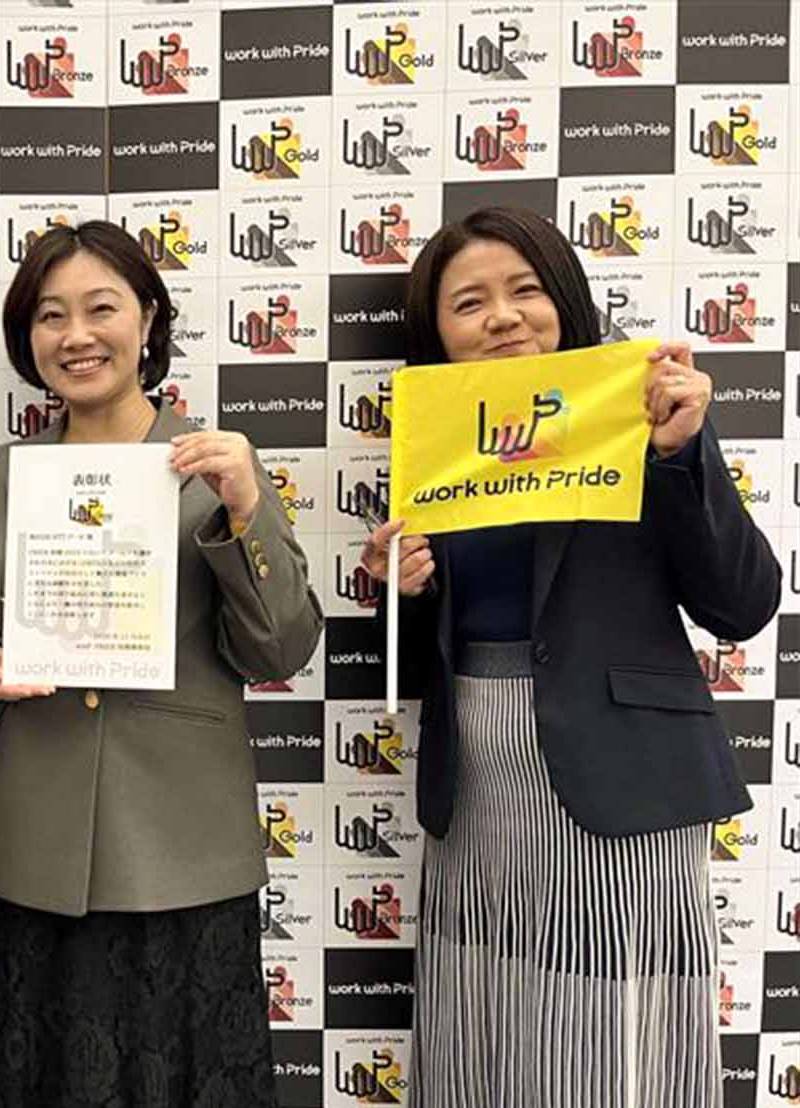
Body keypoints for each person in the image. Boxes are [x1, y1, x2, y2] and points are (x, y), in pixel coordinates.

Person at [360, 206, 781, 1108]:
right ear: (438, 333)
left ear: (564, 298)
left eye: (525, 290)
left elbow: (742, 606)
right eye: (468, 303)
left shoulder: (644, 417)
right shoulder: (437, 448)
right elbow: (422, 656)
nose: (502, 317)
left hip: (623, 779)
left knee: (610, 1039)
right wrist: (405, 588)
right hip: (479, 778)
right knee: (482, 1023)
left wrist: (682, 456)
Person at [0, 220, 323, 1107]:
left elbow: (282, 646)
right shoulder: (0, 474)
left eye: (101, 308)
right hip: (38, 847)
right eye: (50, 315)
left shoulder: (216, 469)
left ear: (147, 319)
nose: (77, 335)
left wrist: (247, 508)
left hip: (186, 850)